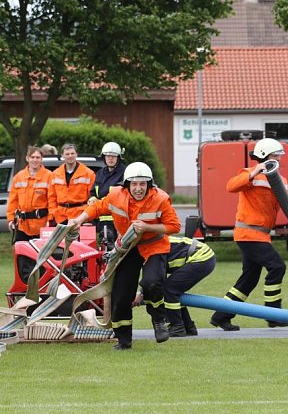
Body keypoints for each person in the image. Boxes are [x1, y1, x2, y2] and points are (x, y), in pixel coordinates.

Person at [69, 162, 180, 349]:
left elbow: (174, 226)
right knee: (121, 293)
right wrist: (78, 220)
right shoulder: (115, 195)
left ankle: (159, 319)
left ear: (150, 185)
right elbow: (96, 208)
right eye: (134, 184)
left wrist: (148, 227)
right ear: (126, 185)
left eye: (143, 184)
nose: (138, 188)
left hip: (154, 245)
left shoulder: (161, 199)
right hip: (128, 247)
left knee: (151, 282)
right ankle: (124, 339)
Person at [210, 138, 288, 331]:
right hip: (248, 235)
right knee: (277, 267)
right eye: (274, 156)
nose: (278, 159)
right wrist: (255, 171)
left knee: (249, 279)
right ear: (263, 157)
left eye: (279, 156)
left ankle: (221, 316)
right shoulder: (249, 174)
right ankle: (273, 314)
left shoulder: (280, 180)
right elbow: (231, 186)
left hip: (260, 236)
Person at [163, 235, 216, 337]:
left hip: (201, 258)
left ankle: (177, 327)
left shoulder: (152, 248)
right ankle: (188, 327)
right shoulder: (153, 241)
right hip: (204, 255)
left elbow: (154, 278)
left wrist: (141, 293)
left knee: (169, 289)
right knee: (173, 290)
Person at [6, 146, 54, 242]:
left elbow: (52, 201)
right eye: (32, 157)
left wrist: (50, 220)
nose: (35, 160)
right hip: (22, 226)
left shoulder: (49, 176)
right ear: (27, 158)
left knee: (42, 255)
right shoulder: (19, 177)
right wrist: (11, 219)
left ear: (41, 159)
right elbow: (13, 201)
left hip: (42, 224)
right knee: (23, 255)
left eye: (37, 157)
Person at [49, 143, 96, 225]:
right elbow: (51, 197)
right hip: (60, 216)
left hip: (80, 216)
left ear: (76, 154)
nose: (70, 156)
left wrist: (87, 215)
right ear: (62, 155)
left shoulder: (88, 173)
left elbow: (92, 197)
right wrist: (53, 213)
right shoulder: (55, 174)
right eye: (67, 154)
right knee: (61, 238)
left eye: (72, 153)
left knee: (83, 238)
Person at [91, 141, 126, 249]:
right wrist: (91, 198)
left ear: (118, 157)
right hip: (101, 221)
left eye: (113, 156)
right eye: (107, 156)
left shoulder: (125, 173)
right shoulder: (100, 173)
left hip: (117, 221)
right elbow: (93, 191)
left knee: (118, 250)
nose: (110, 158)